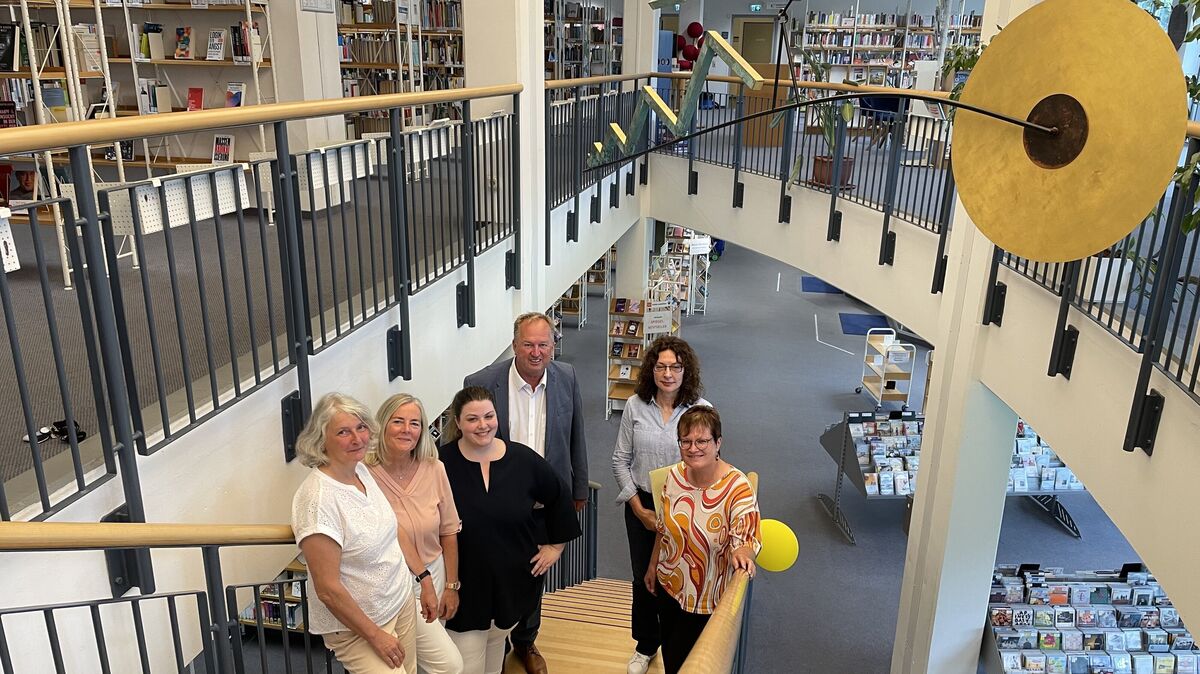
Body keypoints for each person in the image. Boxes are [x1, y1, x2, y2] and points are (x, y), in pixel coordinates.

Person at [463, 312, 588, 674]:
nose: (536, 352)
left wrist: (578, 486)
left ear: (553, 345)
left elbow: (576, 432)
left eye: (543, 344)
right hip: (498, 503)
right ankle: (495, 645)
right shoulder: (483, 381)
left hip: (545, 501)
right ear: (515, 345)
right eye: (528, 344)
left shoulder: (567, 377)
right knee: (497, 570)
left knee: (536, 574)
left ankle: (526, 641)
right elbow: (468, 437)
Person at [439, 386, 581, 674]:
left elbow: (558, 494)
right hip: (464, 589)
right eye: (472, 419)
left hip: (513, 586)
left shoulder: (523, 459)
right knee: (465, 664)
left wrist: (556, 546)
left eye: (489, 416)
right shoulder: (440, 464)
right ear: (458, 423)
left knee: (494, 655)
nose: (483, 425)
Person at [290, 392, 420, 674]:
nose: (357, 438)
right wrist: (375, 635)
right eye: (343, 432)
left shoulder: (361, 470)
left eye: (361, 427)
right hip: (359, 626)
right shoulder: (317, 500)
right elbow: (328, 589)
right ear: (322, 439)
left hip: (398, 600)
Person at [610, 335, 710, 674]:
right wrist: (638, 508)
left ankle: (676, 649)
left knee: (675, 578)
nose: (668, 373)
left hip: (684, 505)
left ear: (686, 371)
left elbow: (708, 462)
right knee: (643, 579)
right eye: (661, 366)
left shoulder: (701, 410)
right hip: (642, 503)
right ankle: (646, 645)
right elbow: (620, 459)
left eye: (675, 367)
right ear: (652, 368)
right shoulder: (636, 406)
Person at [645, 406, 761, 674]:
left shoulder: (737, 487)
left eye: (702, 441)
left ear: (718, 443)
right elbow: (664, 530)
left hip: (706, 598)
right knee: (672, 657)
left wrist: (743, 552)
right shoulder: (674, 477)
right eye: (685, 441)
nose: (693, 448)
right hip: (669, 587)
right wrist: (653, 566)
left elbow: (746, 536)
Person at [366, 393, 465, 674]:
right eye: (398, 421)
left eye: (415, 423)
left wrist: (451, 587)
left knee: (424, 661)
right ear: (383, 425)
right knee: (445, 665)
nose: (407, 429)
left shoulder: (435, 469)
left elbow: (448, 531)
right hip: (389, 581)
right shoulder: (364, 474)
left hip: (433, 575)